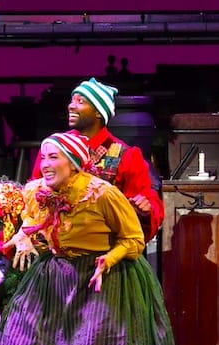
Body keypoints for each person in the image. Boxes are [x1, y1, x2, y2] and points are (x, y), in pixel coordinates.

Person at [0, 131, 185, 345]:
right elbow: (32, 220)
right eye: (43, 157)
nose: (45, 164)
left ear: (72, 162)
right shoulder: (37, 192)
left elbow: (134, 240)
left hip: (106, 279)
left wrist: (109, 258)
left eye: (53, 157)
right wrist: (24, 236)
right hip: (55, 279)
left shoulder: (102, 194)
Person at [30, 77, 164, 241]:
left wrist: (144, 210)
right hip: (58, 245)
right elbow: (33, 191)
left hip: (104, 250)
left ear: (98, 112)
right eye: (72, 101)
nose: (71, 106)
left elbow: (149, 202)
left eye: (81, 101)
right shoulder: (54, 147)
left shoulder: (126, 156)